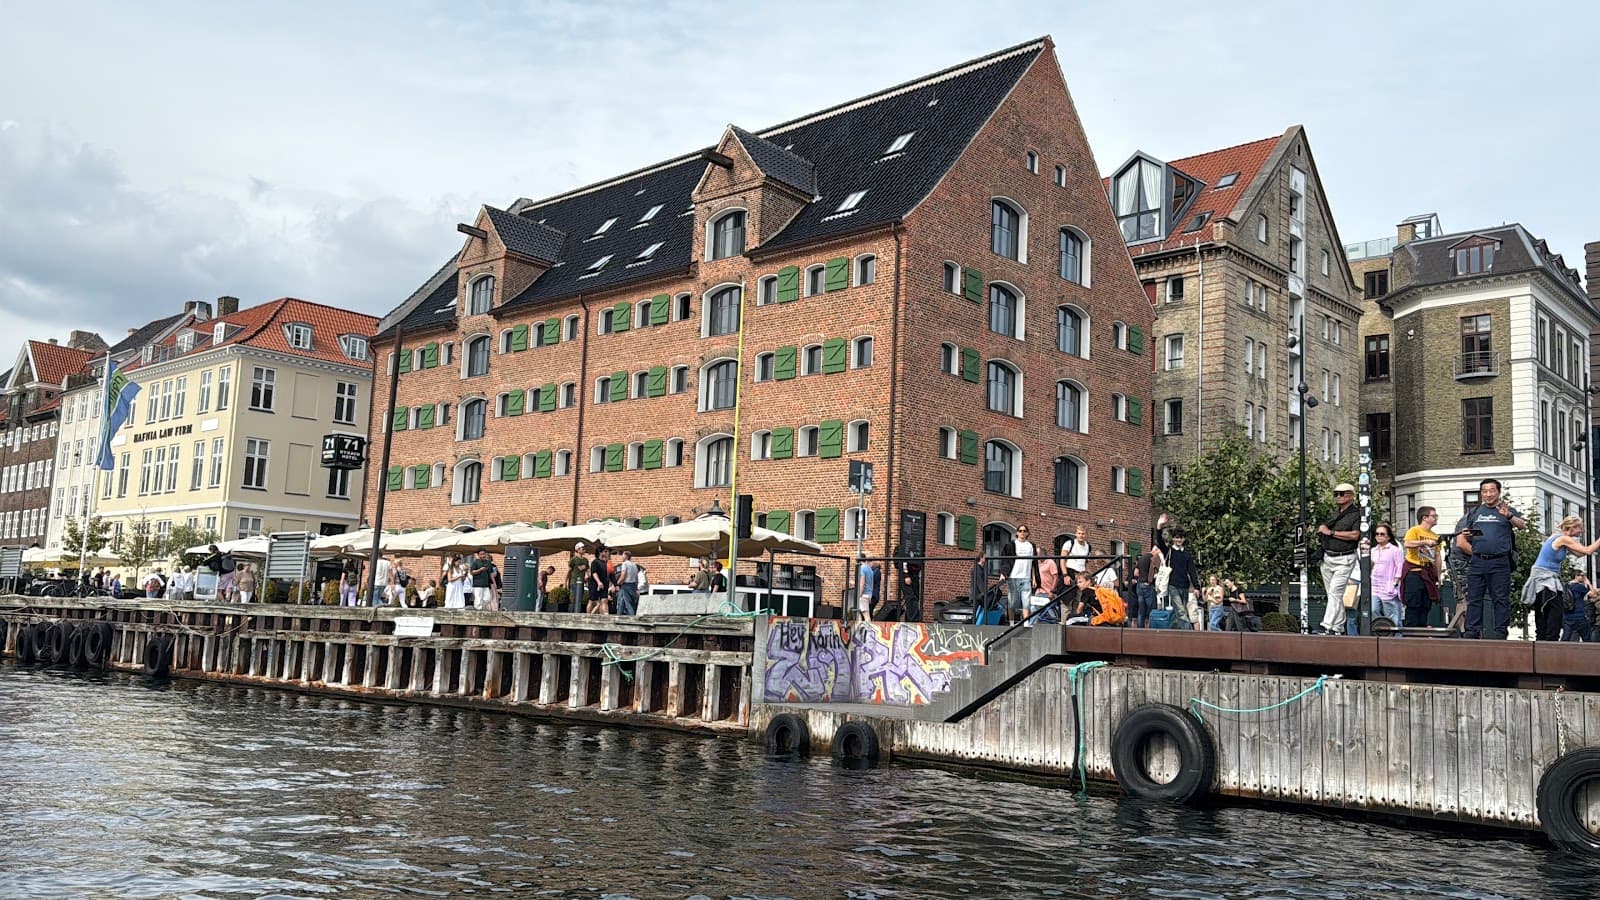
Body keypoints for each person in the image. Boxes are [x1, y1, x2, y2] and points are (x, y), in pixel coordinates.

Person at [1455, 479, 1527, 639]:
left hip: (1500, 561)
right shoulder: (1474, 512)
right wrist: (1469, 534)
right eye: (1485, 491)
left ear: (1498, 492)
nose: (1488, 494)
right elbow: (1472, 534)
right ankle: (1472, 631)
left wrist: (1508, 516)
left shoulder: (1506, 510)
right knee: (1474, 597)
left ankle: (1500, 632)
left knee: (1501, 599)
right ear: (1481, 493)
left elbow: (1522, 525)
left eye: (1492, 490)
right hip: (1477, 561)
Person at [1523, 515, 1600, 641]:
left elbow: (1580, 553)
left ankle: (1544, 643)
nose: (1582, 531)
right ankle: (1549, 643)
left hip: (1545, 579)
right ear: (1573, 527)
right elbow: (1587, 551)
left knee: (1545, 615)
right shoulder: (1563, 539)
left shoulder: (1561, 539)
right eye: (1580, 528)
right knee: (1554, 615)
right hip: (1545, 580)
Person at [1315, 483, 1362, 635]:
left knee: (1335, 592)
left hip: (1345, 558)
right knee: (1333, 595)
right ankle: (1338, 627)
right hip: (1328, 557)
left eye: (1341, 494)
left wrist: (1331, 533)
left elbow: (1355, 535)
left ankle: (1326, 625)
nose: (1338, 497)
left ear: (1350, 495)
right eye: (1336, 494)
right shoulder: (1333, 513)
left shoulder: (1357, 514)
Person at [1401, 507, 1441, 627]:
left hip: (1427, 570)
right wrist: (1423, 542)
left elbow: (1437, 556)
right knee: (1414, 603)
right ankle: (1411, 631)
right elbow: (1407, 543)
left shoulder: (1435, 535)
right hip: (1414, 571)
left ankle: (1422, 629)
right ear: (1424, 518)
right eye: (1433, 516)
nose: (1436, 518)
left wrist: (1438, 576)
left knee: (1426, 603)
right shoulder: (1414, 530)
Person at [1157, 525, 1199, 629]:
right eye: (1176, 537)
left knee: (1178, 613)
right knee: (1181, 611)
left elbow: (1192, 571)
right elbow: (1160, 543)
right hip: (1173, 585)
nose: (1178, 539)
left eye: (1180, 537)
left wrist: (1196, 587)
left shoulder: (1187, 554)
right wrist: (1159, 528)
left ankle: (1171, 632)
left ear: (1184, 539)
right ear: (1173, 538)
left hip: (1184, 585)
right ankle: (1188, 633)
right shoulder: (1170, 551)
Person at [1000, 524, 1040, 626]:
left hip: (1026, 577)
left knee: (1026, 602)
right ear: (1017, 533)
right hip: (1013, 576)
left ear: (1027, 533)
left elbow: (1033, 563)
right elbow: (1004, 560)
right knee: (1012, 602)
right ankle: (1012, 624)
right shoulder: (1011, 545)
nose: (1022, 533)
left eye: (1024, 531)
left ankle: (1026, 624)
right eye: (1020, 531)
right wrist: (1003, 573)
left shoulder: (1031, 546)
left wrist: (1034, 578)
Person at [1369, 523, 1404, 628]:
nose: (1379, 536)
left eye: (1382, 534)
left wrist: (1395, 582)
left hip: (1388, 585)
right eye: (1377, 534)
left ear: (1388, 536)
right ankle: (1381, 631)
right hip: (1375, 585)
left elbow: (1400, 566)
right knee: (1373, 609)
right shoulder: (1373, 551)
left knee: (1392, 614)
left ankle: (1396, 637)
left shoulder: (1395, 550)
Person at [1133, 542, 1163, 628]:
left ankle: (1140, 629)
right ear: (1157, 550)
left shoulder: (1142, 557)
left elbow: (1136, 573)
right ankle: (1150, 629)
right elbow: (1157, 572)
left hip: (1139, 585)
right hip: (1148, 585)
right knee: (1151, 608)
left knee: (1141, 609)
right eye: (1159, 552)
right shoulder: (1154, 559)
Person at [1562, 574, 1599, 642]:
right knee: (1587, 639)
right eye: (1582, 576)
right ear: (1576, 576)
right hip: (1579, 616)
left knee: (1566, 639)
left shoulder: (1565, 586)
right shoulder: (1579, 586)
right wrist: (1588, 583)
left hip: (1567, 617)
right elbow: (1594, 595)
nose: (1584, 577)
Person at [614, 550, 640, 616]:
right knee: (622, 601)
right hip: (633, 585)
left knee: (628, 603)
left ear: (626, 556)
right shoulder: (634, 565)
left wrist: (617, 583)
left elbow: (623, 575)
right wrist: (636, 587)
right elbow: (636, 577)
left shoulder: (625, 564)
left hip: (626, 585)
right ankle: (619, 614)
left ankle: (632, 617)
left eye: (622, 556)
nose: (621, 557)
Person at [566, 544, 591, 612]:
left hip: (582, 582)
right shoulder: (574, 559)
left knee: (580, 598)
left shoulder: (586, 560)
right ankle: (572, 613)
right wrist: (565, 582)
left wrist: (588, 577)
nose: (584, 549)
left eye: (584, 548)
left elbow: (588, 570)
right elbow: (569, 570)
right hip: (574, 581)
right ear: (577, 550)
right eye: (582, 548)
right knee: (574, 598)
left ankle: (577, 612)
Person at [587, 547, 612, 614]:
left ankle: (604, 616)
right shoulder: (595, 562)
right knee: (592, 601)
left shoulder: (604, 563)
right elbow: (594, 573)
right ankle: (587, 616)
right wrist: (598, 582)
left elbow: (610, 574)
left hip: (604, 585)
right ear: (600, 552)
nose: (606, 553)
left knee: (604, 600)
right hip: (595, 584)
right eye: (605, 551)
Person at [856, 552, 876, 621]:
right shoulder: (870, 569)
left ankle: (868, 631)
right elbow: (872, 583)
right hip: (868, 594)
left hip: (863, 594)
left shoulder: (862, 568)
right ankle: (861, 630)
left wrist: (859, 594)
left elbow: (862, 582)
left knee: (865, 615)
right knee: (860, 614)